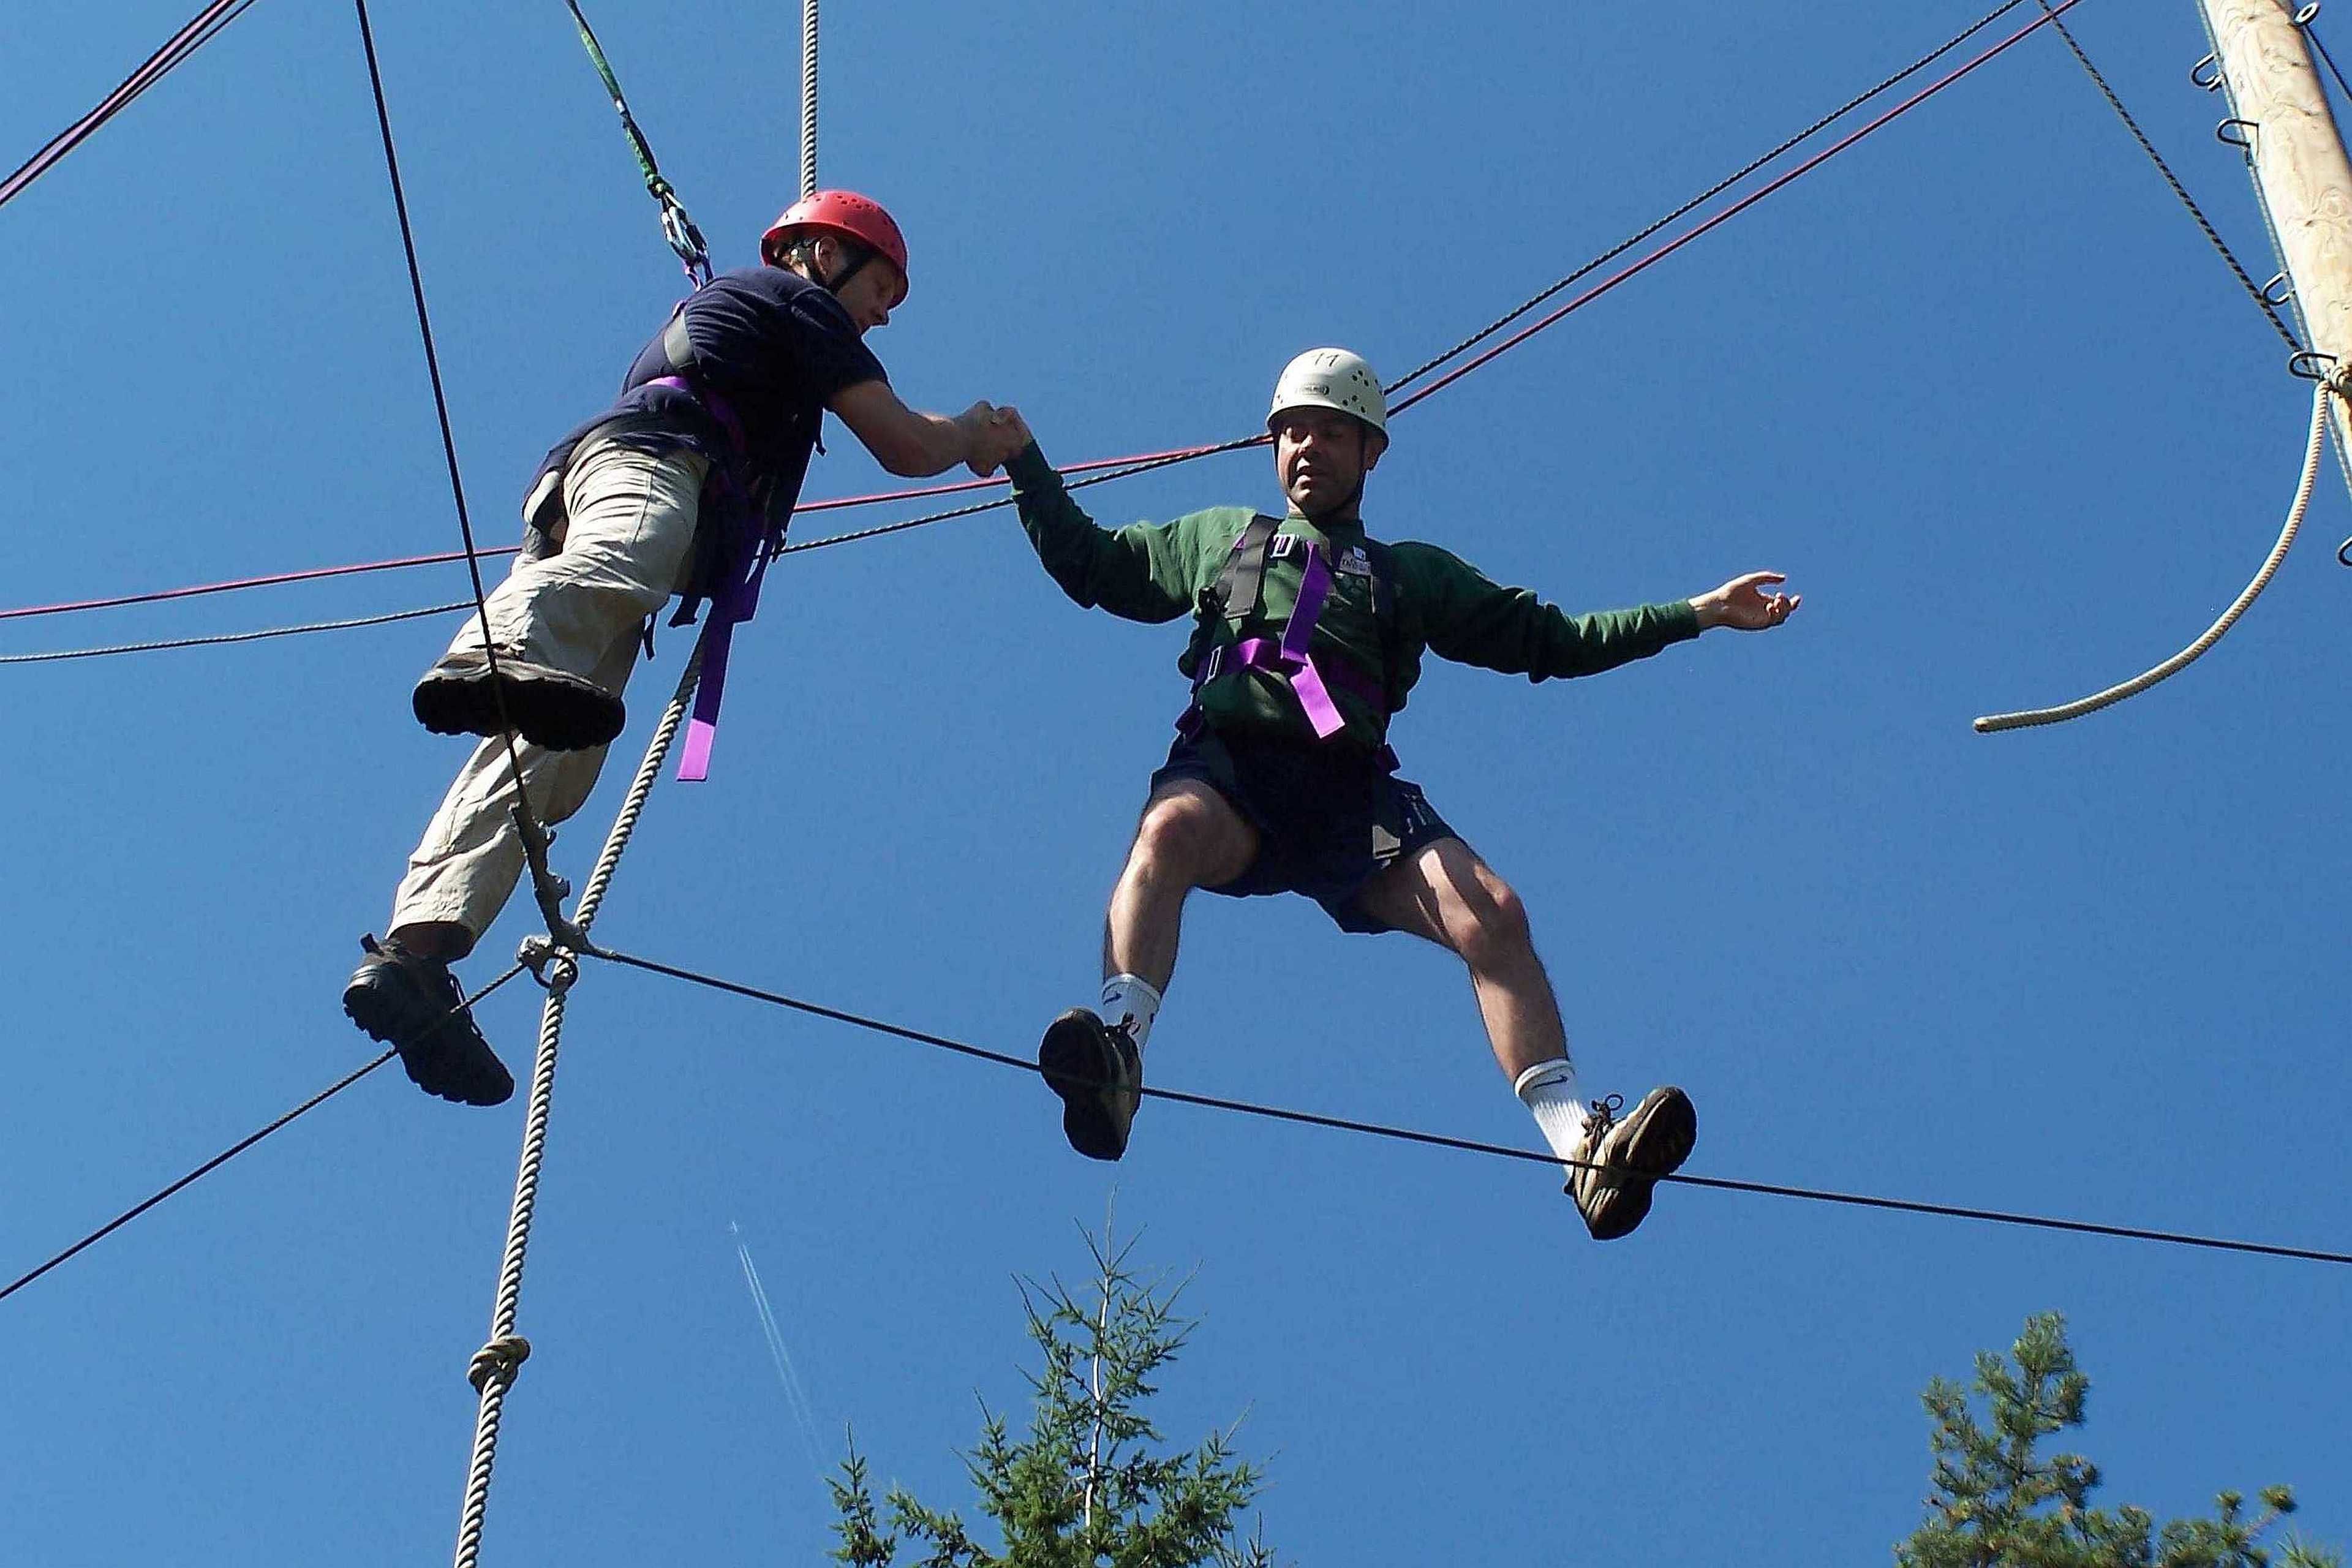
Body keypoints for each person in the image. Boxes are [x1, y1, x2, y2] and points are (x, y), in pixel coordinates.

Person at [1003, 347, 1799, 1240]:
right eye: (1291, 431)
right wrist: (1024, 463)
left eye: (1331, 431)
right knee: (1167, 837)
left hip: (1350, 796)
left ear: (1371, 451)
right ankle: (1119, 1055)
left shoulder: (1406, 574)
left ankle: (1584, 1149)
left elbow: (1554, 640)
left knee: (1492, 914)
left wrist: (1696, 612)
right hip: (1232, 771)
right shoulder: (1223, 536)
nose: (1307, 448)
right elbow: (1096, 566)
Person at [343, 189, 1029, 1107]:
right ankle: (491, 656)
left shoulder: (774, 328)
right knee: (618, 562)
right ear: (823, 257)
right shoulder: (795, 304)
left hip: (618, 487)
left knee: (553, 760)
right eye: (882, 288)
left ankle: (416, 956)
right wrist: (974, 435)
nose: (884, 314)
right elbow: (904, 445)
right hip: (652, 464)